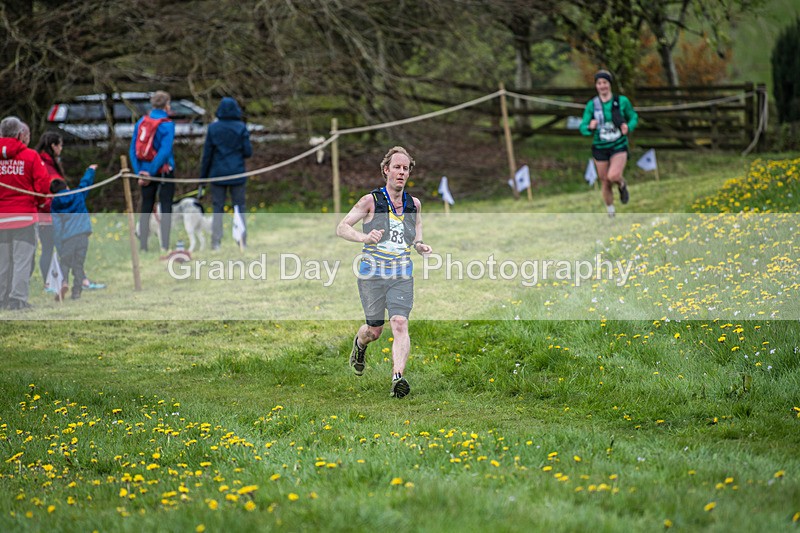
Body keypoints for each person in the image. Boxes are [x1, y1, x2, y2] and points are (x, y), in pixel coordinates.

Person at [336, 146, 433, 399]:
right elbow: (342, 227)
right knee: (374, 331)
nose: (401, 172)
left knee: (400, 323)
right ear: (386, 170)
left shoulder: (414, 204)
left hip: (401, 274)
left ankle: (397, 378)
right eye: (397, 167)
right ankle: (360, 344)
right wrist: (364, 237)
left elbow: (416, 231)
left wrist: (420, 245)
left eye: (405, 168)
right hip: (372, 275)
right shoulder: (370, 201)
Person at [34, 132, 105, 292]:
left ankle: (66, 281)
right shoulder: (45, 166)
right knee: (52, 250)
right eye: (60, 145)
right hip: (49, 215)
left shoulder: (45, 162)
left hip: (51, 214)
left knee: (61, 251)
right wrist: (90, 172)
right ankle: (54, 283)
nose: (61, 149)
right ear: (54, 146)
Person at [0, 117, 51, 310]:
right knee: (22, 260)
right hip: (24, 218)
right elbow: (42, 185)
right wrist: (38, 203)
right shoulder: (30, 156)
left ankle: (2, 299)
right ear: (21, 135)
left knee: (2, 262)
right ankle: (17, 300)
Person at [579, 69, 639, 218]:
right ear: (596, 86)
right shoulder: (592, 105)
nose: (602, 86)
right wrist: (589, 127)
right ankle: (611, 212)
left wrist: (628, 127)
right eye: (599, 83)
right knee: (605, 181)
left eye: (604, 82)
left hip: (618, 145)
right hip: (600, 147)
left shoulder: (622, 101)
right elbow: (582, 126)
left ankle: (622, 184)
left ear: (609, 84)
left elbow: (633, 117)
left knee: (613, 176)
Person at [199, 96, 253, 250]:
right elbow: (248, 151)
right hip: (237, 173)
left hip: (218, 174)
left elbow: (207, 155)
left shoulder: (213, 128)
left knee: (218, 208)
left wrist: (202, 178)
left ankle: (216, 242)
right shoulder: (241, 127)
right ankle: (242, 240)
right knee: (239, 207)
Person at [129, 90, 176, 252]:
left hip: (143, 170)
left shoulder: (141, 122)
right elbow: (165, 151)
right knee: (166, 207)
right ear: (167, 105)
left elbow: (133, 149)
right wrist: (152, 170)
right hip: (163, 171)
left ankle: (143, 246)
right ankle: (164, 245)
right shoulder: (167, 124)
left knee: (146, 206)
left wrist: (140, 172)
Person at [50, 164, 98, 300]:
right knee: (78, 265)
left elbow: (57, 227)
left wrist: (59, 247)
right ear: (66, 187)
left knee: (64, 262)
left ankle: (63, 282)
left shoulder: (54, 204)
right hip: (83, 235)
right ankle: (76, 292)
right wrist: (90, 170)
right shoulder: (78, 194)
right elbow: (85, 183)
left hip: (67, 239)